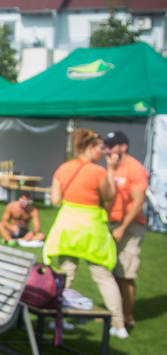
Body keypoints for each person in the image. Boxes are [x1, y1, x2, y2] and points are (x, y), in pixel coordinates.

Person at [44, 129, 127, 339]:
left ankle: (55, 320)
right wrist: (111, 170)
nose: (104, 152)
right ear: (90, 148)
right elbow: (109, 196)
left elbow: (55, 199)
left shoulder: (63, 168)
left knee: (65, 275)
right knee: (103, 277)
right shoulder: (98, 172)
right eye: (101, 148)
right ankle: (119, 324)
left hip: (67, 227)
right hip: (91, 229)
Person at [104, 129, 149, 329]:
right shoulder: (113, 168)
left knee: (126, 273)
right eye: (107, 146)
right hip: (112, 223)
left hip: (130, 226)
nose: (108, 150)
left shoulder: (135, 169)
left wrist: (122, 227)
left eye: (112, 146)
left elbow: (138, 203)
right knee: (111, 272)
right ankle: (114, 313)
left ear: (123, 147)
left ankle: (127, 316)